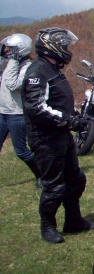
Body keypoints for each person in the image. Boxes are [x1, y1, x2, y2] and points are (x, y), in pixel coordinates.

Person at [22, 27, 94, 244]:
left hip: (61, 136)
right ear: (52, 47)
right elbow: (37, 107)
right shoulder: (37, 72)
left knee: (76, 180)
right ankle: (48, 226)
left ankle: (73, 222)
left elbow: (58, 102)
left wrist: (75, 115)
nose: (66, 49)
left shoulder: (54, 69)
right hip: (45, 139)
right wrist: (69, 120)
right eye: (63, 45)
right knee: (54, 187)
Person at [0, 34, 42, 187]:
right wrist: (2, 58)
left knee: (21, 151)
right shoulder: (11, 64)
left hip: (16, 114)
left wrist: (12, 61)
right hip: (2, 112)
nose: (9, 53)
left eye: (12, 50)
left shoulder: (27, 68)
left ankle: (41, 175)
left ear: (21, 50)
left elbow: (11, 84)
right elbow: (2, 77)